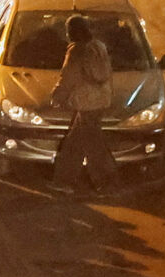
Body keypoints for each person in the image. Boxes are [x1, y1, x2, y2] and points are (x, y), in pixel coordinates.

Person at [50, 15, 117, 193]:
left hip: (86, 102)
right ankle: (63, 180)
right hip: (101, 101)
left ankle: (106, 182)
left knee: (93, 146)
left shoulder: (76, 50)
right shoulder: (99, 46)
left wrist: (57, 96)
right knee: (76, 143)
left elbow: (68, 77)